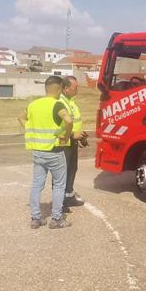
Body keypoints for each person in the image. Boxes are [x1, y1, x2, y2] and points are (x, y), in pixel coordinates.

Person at [25, 75, 73, 229]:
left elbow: (20, 117)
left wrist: (31, 130)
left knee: (37, 185)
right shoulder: (57, 105)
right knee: (59, 185)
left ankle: (35, 218)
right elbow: (69, 120)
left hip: (38, 151)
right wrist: (65, 135)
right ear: (59, 88)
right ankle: (57, 219)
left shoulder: (33, 104)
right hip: (54, 151)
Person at [59, 76, 88, 208]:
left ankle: (69, 197)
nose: (77, 89)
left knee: (72, 169)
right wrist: (72, 135)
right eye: (74, 87)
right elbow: (57, 127)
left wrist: (80, 136)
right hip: (64, 143)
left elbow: (74, 122)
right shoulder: (60, 103)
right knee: (62, 173)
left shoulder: (71, 101)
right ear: (65, 88)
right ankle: (59, 203)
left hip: (73, 142)